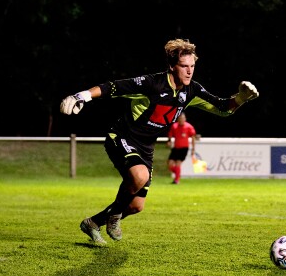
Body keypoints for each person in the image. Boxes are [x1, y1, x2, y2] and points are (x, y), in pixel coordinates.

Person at [59, 38, 259, 244]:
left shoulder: (192, 91)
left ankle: (92, 223)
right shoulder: (152, 84)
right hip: (122, 137)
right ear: (172, 66)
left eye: (192, 66)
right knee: (139, 176)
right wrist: (81, 96)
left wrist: (241, 98)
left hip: (145, 149)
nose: (189, 71)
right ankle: (114, 217)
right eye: (184, 66)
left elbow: (223, 108)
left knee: (136, 206)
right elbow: (112, 87)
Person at [167, 112, 198, 184]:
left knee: (178, 163)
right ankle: (178, 174)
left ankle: (177, 180)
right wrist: (169, 141)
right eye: (180, 118)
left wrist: (193, 149)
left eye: (182, 118)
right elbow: (170, 134)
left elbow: (193, 138)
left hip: (184, 148)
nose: (181, 120)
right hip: (176, 148)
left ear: (185, 119)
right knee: (169, 164)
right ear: (178, 119)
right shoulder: (174, 126)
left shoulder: (189, 127)